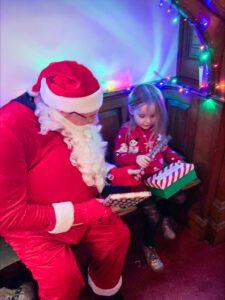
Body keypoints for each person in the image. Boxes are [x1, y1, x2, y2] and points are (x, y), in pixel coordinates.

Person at [0, 60, 142, 300]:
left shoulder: (76, 117)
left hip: (87, 208)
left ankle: (104, 289)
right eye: (87, 115)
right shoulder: (8, 128)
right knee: (62, 281)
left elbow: (84, 161)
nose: (94, 121)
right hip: (34, 228)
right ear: (61, 110)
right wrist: (85, 212)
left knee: (118, 238)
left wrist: (114, 173)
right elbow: (9, 217)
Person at [114, 84, 183, 272]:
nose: (147, 121)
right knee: (153, 216)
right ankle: (149, 245)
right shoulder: (126, 131)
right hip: (139, 184)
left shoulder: (157, 130)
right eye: (142, 116)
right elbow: (118, 157)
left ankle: (167, 219)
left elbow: (165, 150)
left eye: (153, 116)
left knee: (178, 196)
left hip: (160, 179)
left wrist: (177, 161)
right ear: (131, 110)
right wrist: (134, 158)